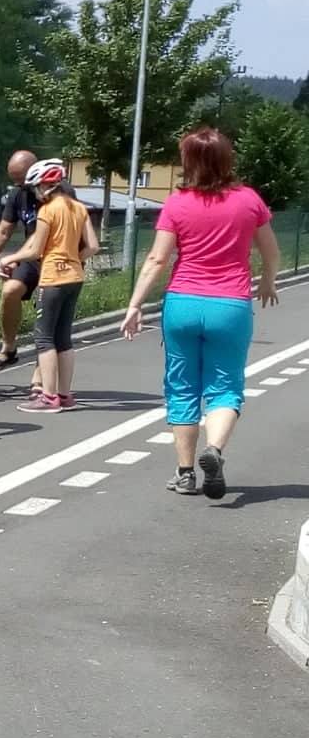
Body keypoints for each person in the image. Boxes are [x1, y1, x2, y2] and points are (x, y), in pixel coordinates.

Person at [120, 126, 281, 499]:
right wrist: (268, 282)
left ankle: (185, 473)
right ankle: (215, 450)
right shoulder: (249, 200)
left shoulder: (177, 203)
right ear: (227, 159)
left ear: (188, 161)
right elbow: (271, 252)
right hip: (230, 305)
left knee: (182, 386)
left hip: (183, 303)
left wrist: (135, 304)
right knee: (225, 386)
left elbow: (158, 258)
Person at [0, 148, 79, 391]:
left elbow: (46, 235)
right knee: (10, 290)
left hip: (58, 260)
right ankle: (9, 348)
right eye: (15, 181)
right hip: (32, 257)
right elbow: (4, 231)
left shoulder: (60, 192)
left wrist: (15, 257)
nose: (20, 185)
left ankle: (39, 378)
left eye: (22, 180)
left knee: (47, 319)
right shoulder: (18, 194)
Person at [0, 159, 94, 412]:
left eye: (36, 187)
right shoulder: (79, 208)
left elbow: (35, 250)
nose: (36, 193)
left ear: (45, 186)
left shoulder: (47, 211)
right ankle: (65, 395)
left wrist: (9, 259)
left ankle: (49, 397)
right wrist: (73, 259)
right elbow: (93, 246)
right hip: (75, 277)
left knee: (44, 338)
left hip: (52, 278)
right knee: (64, 339)